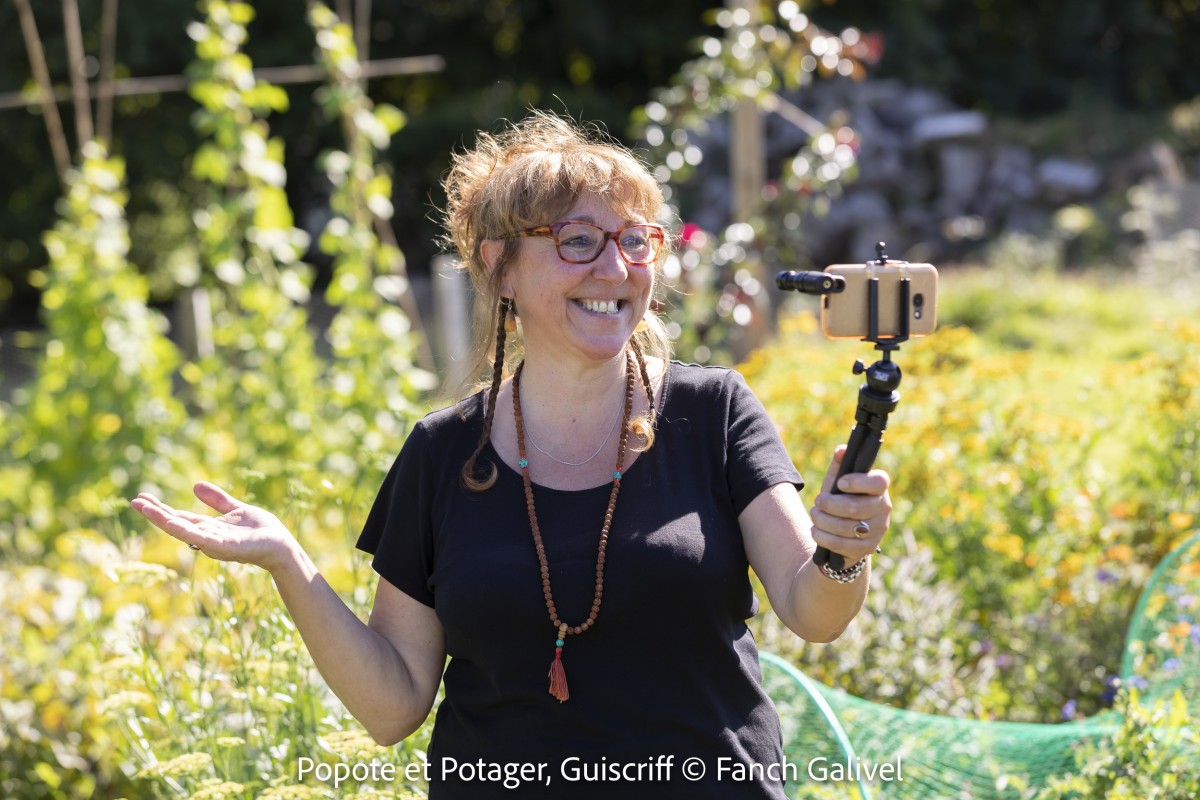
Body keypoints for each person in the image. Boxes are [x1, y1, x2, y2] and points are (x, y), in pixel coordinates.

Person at [130, 111, 891, 799]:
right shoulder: (442, 453)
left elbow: (813, 609)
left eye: (634, 240)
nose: (616, 268)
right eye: (578, 241)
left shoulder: (712, 411)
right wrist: (289, 565)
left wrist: (843, 553)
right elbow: (394, 705)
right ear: (499, 268)